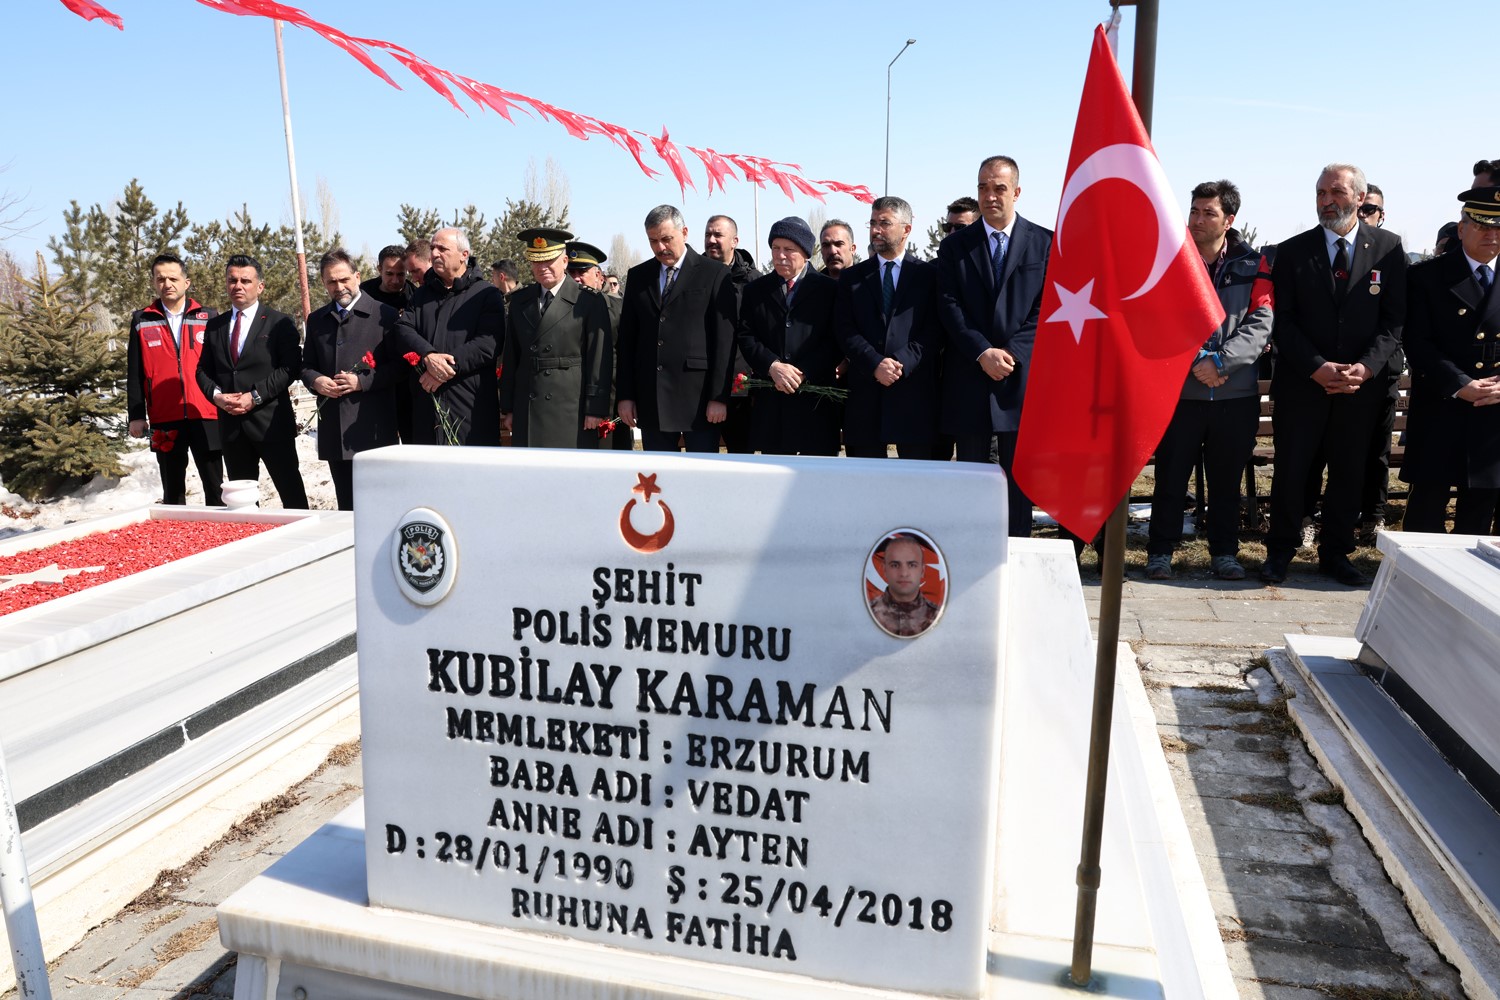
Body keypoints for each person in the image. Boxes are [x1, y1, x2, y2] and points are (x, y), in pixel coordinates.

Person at [1261, 164, 1407, 586]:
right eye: (1321, 192)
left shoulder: (1388, 248)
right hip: (1304, 385)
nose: (1327, 200)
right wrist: (1317, 367)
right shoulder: (1291, 251)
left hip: (1360, 388)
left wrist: (1366, 367)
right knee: (1292, 470)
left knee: (1349, 471)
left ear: (1360, 198)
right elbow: (1282, 322)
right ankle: (1280, 551)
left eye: (1337, 192)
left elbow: (1394, 322)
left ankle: (1336, 553)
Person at [1145, 181, 1273, 581]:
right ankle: (1160, 553)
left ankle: (1224, 553)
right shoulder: (1170, 261)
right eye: (1195, 211)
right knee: (1170, 478)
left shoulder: (1255, 265)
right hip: (1180, 394)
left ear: (1229, 220)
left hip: (1234, 395)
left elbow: (1262, 323)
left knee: (1225, 480)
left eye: (1208, 213)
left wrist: (1222, 361)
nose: (1197, 220)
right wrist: (1198, 359)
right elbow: (1158, 320)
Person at [937, 155, 1051, 537]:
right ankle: (972, 546)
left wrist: (1012, 353)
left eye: (999, 188)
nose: (990, 196)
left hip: (1021, 382)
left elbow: (1047, 308)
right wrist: (981, 351)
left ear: (1016, 192)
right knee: (973, 475)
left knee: (1019, 478)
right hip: (970, 376)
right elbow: (948, 304)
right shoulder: (955, 248)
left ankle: (1018, 546)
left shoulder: (1044, 243)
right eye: (983, 187)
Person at [1399, 186, 1500, 533]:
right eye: (1482, 225)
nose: (1492, 234)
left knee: (1480, 511)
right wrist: (1461, 385)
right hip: (1442, 405)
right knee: (1426, 509)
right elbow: (1417, 342)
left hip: (1493, 409)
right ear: (1461, 229)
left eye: (1499, 227)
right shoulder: (1426, 277)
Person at [616, 205, 737, 453]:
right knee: (659, 480)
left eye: (666, 239)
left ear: (684, 232)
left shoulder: (715, 273)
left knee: (700, 480)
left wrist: (719, 397)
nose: (660, 247)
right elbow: (627, 340)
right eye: (653, 241)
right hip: (652, 400)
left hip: (700, 402)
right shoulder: (639, 276)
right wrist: (626, 396)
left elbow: (724, 341)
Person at [196, 254, 307, 508]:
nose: (238, 285)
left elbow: (289, 368)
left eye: (245, 280)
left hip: (271, 424)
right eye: (232, 280)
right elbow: (202, 371)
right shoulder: (215, 326)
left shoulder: (280, 323)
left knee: (292, 494)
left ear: (260, 286)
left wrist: (254, 396)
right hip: (232, 427)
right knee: (241, 503)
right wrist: (216, 396)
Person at [834, 196, 941, 460]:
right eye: (872, 223)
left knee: (914, 487)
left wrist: (901, 362)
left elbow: (935, 329)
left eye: (884, 223)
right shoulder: (852, 278)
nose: (875, 230)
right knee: (866, 487)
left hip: (913, 397)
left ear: (906, 229)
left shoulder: (929, 276)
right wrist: (874, 363)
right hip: (865, 397)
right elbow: (844, 328)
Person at [301, 249, 402, 510]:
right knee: (347, 506)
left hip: (373, 427)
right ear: (323, 283)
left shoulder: (386, 316)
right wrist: (316, 381)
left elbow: (401, 367)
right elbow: (306, 366)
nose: (339, 286)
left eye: (344, 279)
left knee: (380, 504)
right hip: (335, 427)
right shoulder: (316, 320)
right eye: (331, 281)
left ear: (357, 276)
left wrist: (362, 382)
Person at [735, 217, 841, 456]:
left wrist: (803, 371)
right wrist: (772, 366)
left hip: (815, 406)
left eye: (789, 250)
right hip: (773, 407)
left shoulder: (829, 290)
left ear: (805, 253)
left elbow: (836, 340)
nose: (780, 255)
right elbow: (746, 335)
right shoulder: (755, 290)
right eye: (775, 248)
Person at [127, 253, 224, 506]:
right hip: (164, 416)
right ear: (153, 282)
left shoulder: (209, 317)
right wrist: (136, 415)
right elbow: (135, 372)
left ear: (186, 282)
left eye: (173, 278)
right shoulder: (142, 320)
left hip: (206, 412)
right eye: (160, 279)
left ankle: (221, 534)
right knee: (172, 490)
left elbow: (222, 366)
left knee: (215, 486)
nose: (167, 284)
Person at [499, 228, 611, 448]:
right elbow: (512, 357)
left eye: (549, 260)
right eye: (536, 262)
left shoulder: (588, 301)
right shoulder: (520, 302)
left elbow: (599, 359)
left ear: (565, 261)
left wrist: (595, 408)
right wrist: (509, 408)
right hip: (528, 408)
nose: (542, 268)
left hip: (571, 408)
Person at [394, 227, 504, 445]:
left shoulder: (486, 294)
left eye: (442, 248)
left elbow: (487, 344)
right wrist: (428, 356)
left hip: (470, 409)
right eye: (433, 248)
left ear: (464, 255)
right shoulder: (422, 295)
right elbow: (402, 329)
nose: (434, 253)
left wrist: (443, 370)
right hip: (427, 409)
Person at [566, 239, 633, 451]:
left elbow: (626, 358)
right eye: (571, 272)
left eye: (582, 272)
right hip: (568, 402)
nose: (576, 278)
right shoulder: (556, 311)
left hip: (611, 404)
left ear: (599, 276)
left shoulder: (618, 309)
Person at [701, 214, 757, 454]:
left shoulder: (753, 281)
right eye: (707, 234)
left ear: (734, 241)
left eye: (718, 235)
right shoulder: (693, 276)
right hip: (699, 385)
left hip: (740, 387)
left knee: (741, 457)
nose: (711, 240)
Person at [869, 533, 939, 637]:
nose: (904, 573)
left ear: (922, 570)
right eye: (895, 565)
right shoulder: (868, 613)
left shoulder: (937, 616)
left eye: (912, 565)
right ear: (884, 570)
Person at [359, 245, 410, 310]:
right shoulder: (363, 293)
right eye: (389, 274)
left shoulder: (415, 297)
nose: (395, 281)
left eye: (400, 274)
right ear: (380, 269)